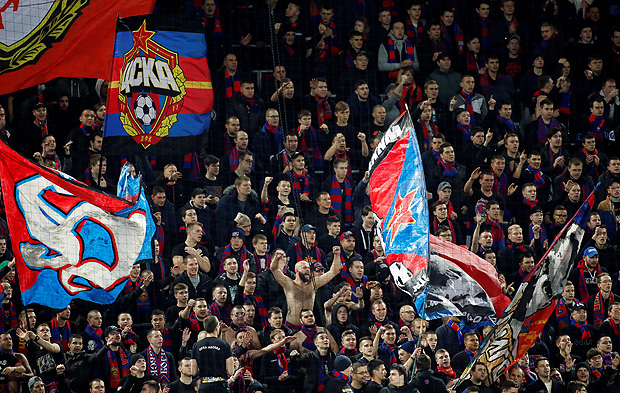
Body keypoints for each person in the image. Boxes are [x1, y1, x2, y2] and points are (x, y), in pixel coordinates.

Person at [270, 249, 342, 330]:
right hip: (291, 326)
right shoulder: (289, 284)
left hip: (309, 326)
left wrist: (336, 255)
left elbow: (334, 271)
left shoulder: (314, 283)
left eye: (308, 268)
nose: (308, 270)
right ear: (296, 270)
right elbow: (274, 269)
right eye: (304, 268)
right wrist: (276, 258)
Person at [191, 316, 233, 393]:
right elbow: (230, 371)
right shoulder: (225, 345)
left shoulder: (196, 345)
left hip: (204, 386)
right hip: (220, 386)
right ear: (217, 327)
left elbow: (193, 372)